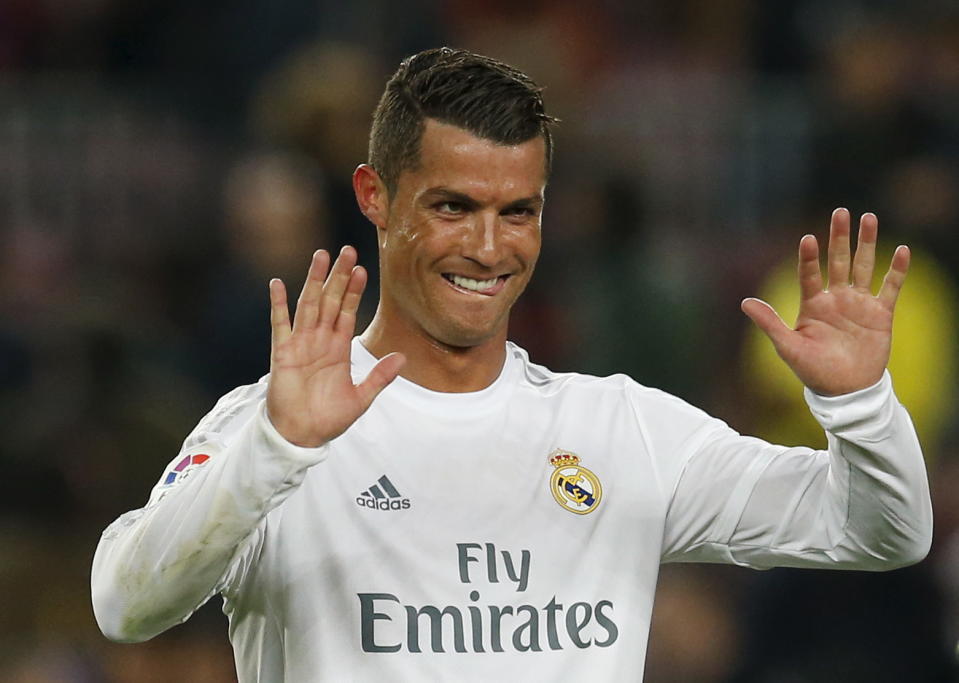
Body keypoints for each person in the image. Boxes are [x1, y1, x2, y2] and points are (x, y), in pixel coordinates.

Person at [91, 47, 933, 681]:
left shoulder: (620, 428)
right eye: (453, 206)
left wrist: (858, 404)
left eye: (517, 210)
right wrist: (276, 448)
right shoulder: (275, 425)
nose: (488, 248)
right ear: (374, 195)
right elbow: (126, 604)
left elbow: (880, 532)